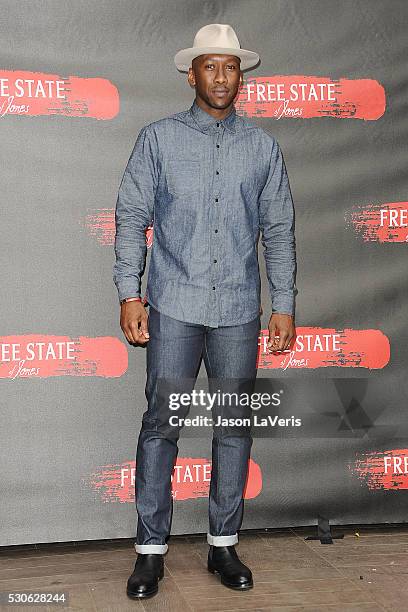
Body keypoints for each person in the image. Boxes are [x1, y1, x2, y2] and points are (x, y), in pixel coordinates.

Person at [113, 23, 297, 600]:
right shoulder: (158, 140)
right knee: (162, 425)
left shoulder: (263, 148)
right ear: (191, 74)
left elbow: (280, 231)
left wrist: (284, 304)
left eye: (231, 66)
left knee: (234, 427)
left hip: (240, 310)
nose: (222, 77)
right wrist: (130, 292)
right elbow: (129, 218)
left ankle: (223, 544)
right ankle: (150, 552)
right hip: (174, 306)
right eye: (210, 66)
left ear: (242, 76)